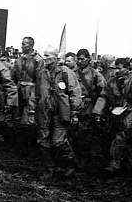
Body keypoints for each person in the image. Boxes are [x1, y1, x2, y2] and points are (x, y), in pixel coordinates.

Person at [36, 46, 82, 180]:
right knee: (43, 141)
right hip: (44, 112)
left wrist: (74, 112)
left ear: (55, 57)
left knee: (58, 142)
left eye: (48, 56)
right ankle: (50, 169)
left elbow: (75, 93)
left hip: (60, 113)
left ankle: (70, 164)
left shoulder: (66, 73)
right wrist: (33, 108)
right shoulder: (41, 73)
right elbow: (37, 92)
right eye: (44, 56)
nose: (45, 59)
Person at [73, 48, 107, 168]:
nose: (80, 61)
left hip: (89, 106)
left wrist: (97, 110)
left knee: (86, 134)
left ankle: (86, 160)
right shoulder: (73, 72)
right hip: (75, 105)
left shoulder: (95, 74)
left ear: (88, 59)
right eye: (78, 59)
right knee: (74, 133)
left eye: (83, 59)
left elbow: (103, 93)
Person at [11, 37, 44, 154]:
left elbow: (40, 79)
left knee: (30, 120)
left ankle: (30, 146)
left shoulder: (38, 60)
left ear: (30, 45)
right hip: (19, 90)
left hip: (32, 91)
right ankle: (19, 146)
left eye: (24, 44)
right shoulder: (19, 59)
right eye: (22, 44)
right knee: (16, 117)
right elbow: (13, 76)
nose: (22, 46)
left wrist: (36, 96)